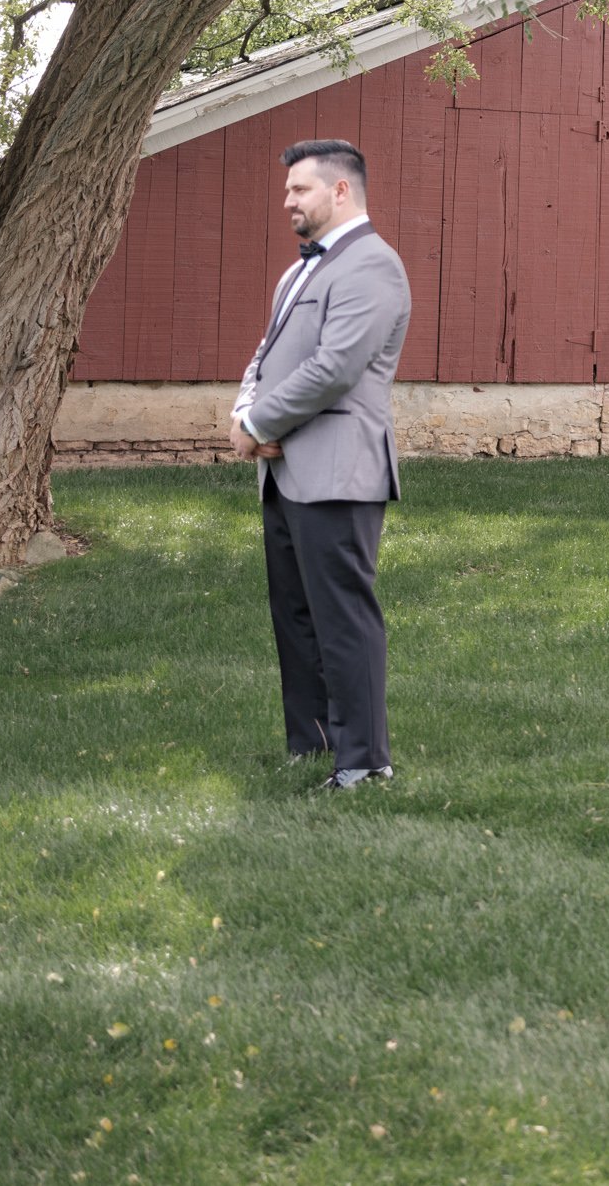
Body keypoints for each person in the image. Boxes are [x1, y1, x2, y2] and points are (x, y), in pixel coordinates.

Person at [229, 139, 413, 787]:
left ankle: (364, 761)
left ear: (341, 191)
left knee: (342, 616)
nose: (288, 201)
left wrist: (257, 423)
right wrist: (245, 407)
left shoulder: (373, 266)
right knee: (296, 615)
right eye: (287, 191)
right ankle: (309, 746)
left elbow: (334, 369)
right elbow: (267, 351)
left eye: (299, 189)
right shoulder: (297, 271)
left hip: (338, 470)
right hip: (284, 471)